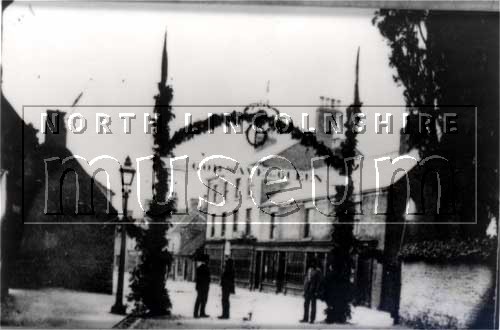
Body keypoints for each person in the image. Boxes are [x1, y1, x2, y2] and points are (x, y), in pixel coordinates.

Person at [300, 258, 323, 324]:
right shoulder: (309, 270)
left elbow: (319, 282)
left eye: (313, 263)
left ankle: (312, 319)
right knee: (306, 304)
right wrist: (304, 289)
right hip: (307, 290)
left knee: (313, 305)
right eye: (311, 263)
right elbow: (306, 280)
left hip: (313, 290)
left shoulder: (318, 271)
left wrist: (317, 291)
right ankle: (305, 318)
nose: (312, 264)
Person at [194, 254, 211, 318]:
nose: (208, 261)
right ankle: (198, 313)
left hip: (202, 286)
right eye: (207, 260)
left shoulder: (200, 268)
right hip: (202, 286)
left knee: (203, 300)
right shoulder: (204, 268)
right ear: (205, 260)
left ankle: (200, 313)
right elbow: (200, 278)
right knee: (200, 299)